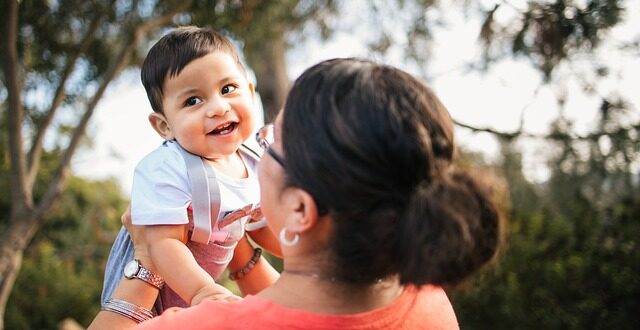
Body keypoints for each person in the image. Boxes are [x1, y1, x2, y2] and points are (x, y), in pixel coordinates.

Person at [90, 58, 505, 329]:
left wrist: (146, 262)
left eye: (270, 143)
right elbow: (292, 308)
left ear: (300, 208)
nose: (254, 150)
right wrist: (243, 255)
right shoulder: (426, 299)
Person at [101, 26, 281, 313]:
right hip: (147, 297)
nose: (218, 108)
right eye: (193, 101)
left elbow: (260, 227)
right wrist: (203, 291)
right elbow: (163, 244)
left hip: (190, 300)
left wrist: (304, 255)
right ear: (164, 126)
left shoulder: (254, 160)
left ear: (249, 91)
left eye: (227, 89)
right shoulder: (168, 167)